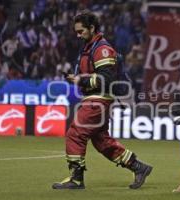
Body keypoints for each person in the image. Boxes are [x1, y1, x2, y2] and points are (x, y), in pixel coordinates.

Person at [52, 11, 152, 190]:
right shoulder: (91, 46)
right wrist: (77, 77)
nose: (78, 34)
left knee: (75, 134)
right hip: (96, 99)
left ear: (92, 28)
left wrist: (79, 80)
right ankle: (139, 167)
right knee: (102, 142)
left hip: (98, 100)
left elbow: (106, 79)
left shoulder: (102, 49)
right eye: (76, 31)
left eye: (81, 31)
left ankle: (76, 179)